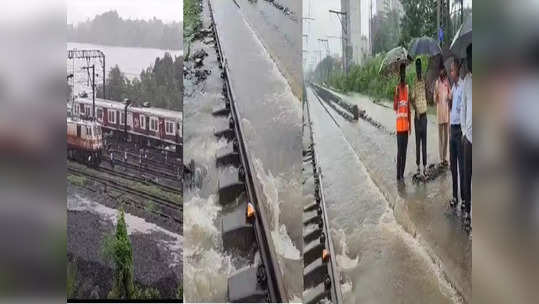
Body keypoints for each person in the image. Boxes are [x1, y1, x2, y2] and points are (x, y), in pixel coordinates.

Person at [448, 59, 464, 208]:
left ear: (458, 70)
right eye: (450, 70)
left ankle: (464, 199)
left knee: (462, 166)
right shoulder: (453, 87)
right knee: (453, 166)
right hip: (452, 130)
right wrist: (449, 100)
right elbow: (451, 107)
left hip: (460, 130)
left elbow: (464, 111)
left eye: (452, 70)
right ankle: (455, 196)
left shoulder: (464, 87)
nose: (451, 72)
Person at [461, 44, 472, 228]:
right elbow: (463, 108)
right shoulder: (466, 83)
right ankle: (468, 210)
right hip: (468, 138)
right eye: (469, 57)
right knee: (466, 175)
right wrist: (463, 131)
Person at [394, 63, 411, 182]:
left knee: (404, 152)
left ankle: (402, 175)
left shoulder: (407, 88)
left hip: (406, 127)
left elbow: (409, 109)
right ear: (400, 76)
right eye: (402, 74)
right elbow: (395, 108)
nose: (403, 76)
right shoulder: (397, 89)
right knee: (400, 152)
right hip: (399, 128)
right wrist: (395, 96)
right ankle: (398, 174)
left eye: (404, 73)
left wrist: (410, 126)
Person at [410, 58, 428, 176]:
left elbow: (428, 96)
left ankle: (425, 166)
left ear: (421, 68)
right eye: (417, 67)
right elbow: (411, 98)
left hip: (424, 116)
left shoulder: (424, 81)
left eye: (419, 67)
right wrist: (415, 109)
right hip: (417, 118)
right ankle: (417, 166)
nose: (418, 69)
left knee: (424, 143)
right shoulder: (415, 82)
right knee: (417, 143)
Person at [434, 64, 451, 166]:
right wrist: (436, 95)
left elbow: (450, 94)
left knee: (446, 137)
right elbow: (434, 99)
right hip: (440, 114)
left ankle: (445, 157)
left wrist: (449, 96)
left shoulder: (447, 82)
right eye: (441, 71)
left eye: (443, 70)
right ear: (439, 72)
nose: (442, 72)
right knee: (441, 137)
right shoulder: (437, 83)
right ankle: (441, 158)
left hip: (446, 114)